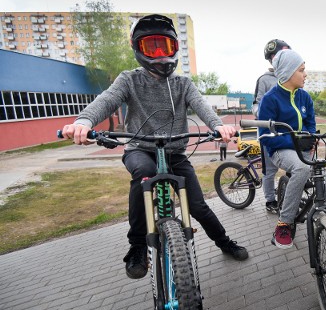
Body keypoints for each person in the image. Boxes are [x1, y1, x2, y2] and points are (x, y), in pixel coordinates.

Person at [61, 14, 249, 280]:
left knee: (197, 205)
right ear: (139, 49)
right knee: (144, 174)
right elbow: (107, 99)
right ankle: (138, 246)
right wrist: (84, 121)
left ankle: (224, 242)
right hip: (140, 149)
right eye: (152, 47)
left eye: (166, 46)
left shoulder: (183, 84)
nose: (160, 54)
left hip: (175, 152)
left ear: (175, 48)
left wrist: (219, 126)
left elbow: (203, 107)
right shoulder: (129, 80)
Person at [258, 49, 326, 255]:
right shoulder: (270, 99)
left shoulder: (305, 98)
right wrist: (296, 142)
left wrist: (309, 138)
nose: (305, 74)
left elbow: (310, 124)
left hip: (303, 150)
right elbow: (265, 136)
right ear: (288, 72)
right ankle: (284, 223)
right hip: (281, 150)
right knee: (301, 167)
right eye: (302, 70)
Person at [252, 39, 291, 214]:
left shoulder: (292, 76)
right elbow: (256, 105)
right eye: (278, 54)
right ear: (271, 59)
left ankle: (290, 194)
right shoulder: (265, 80)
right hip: (271, 132)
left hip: (290, 132)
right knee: (270, 169)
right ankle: (270, 200)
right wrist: (264, 116)